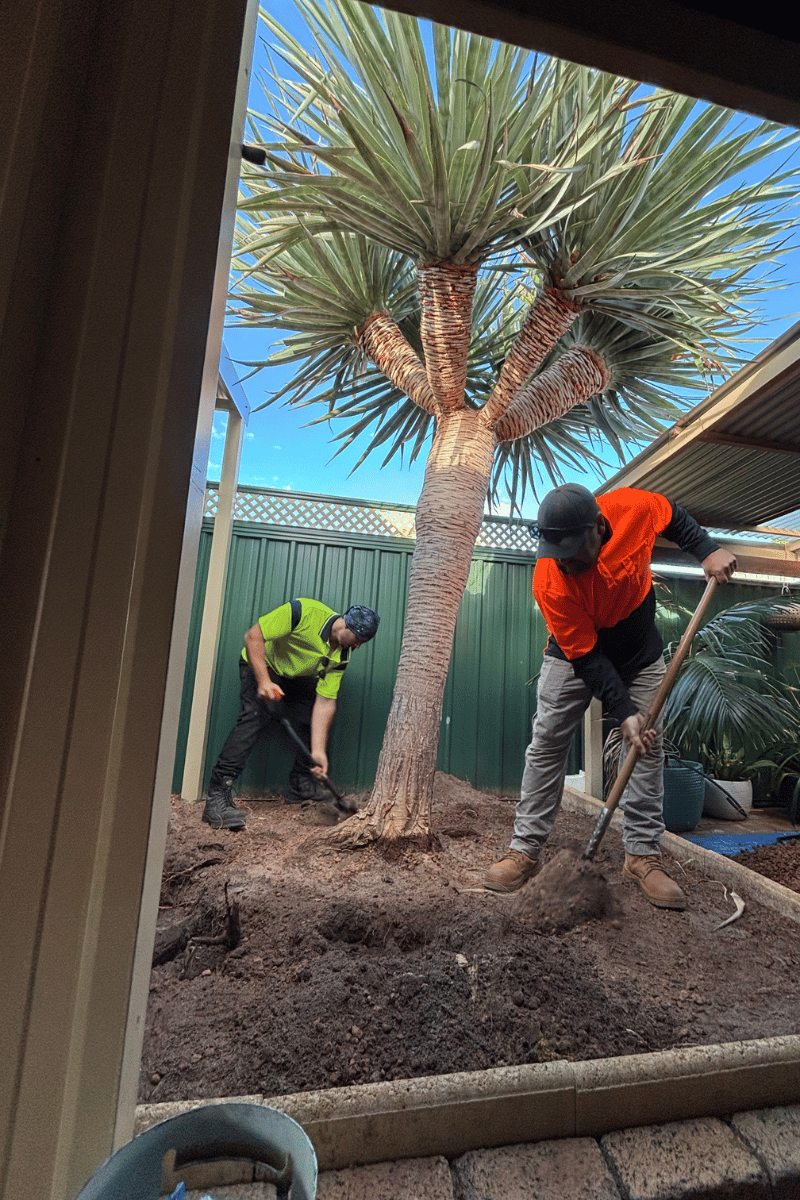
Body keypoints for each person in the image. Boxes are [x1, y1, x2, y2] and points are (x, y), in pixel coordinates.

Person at [484, 484, 736, 909]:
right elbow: (587, 658)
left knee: (647, 748)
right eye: (555, 550)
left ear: (599, 527)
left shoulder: (632, 507)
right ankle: (524, 850)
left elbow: (671, 513)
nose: (564, 560)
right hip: (575, 655)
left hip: (638, 648)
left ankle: (641, 855)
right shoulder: (549, 579)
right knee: (547, 742)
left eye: (571, 549)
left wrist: (706, 549)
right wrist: (623, 712)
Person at [202, 598, 380, 830]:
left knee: (308, 715)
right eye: (358, 640)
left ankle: (301, 784)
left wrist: (318, 751)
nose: (358, 647)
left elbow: (325, 702)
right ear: (346, 626)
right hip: (261, 663)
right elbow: (253, 637)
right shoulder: (302, 612)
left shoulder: (341, 656)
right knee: (254, 718)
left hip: (292, 675)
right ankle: (217, 796)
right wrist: (264, 681)